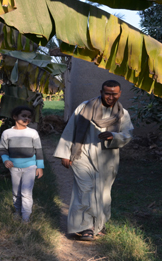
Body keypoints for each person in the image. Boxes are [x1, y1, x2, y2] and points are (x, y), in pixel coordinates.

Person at [53, 80, 133, 241]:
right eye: (107, 93)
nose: (110, 97)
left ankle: (99, 224)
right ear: (101, 91)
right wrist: (65, 153)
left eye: (114, 94)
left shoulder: (122, 113)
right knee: (85, 191)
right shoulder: (85, 107)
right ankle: (85, 227)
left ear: (120, 93)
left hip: (107, 159)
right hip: (82, 155)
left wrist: (114, 136)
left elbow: (127, 134)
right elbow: (71, 129)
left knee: (103, 193)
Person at [0, 105, 44, 223]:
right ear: (15, 117)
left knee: (26, 192)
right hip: (14, 167)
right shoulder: (7, 133)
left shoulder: (33, 133)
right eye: (23, 116)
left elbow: (38, 150)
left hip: (30, 166)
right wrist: (6, 160)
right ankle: (17, 212)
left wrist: (39, 166)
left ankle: (26, 217)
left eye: (29, 117)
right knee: (16, 192)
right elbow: (2, 149)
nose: (26, 119)